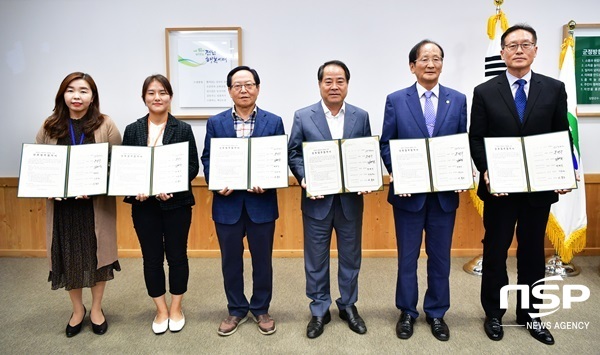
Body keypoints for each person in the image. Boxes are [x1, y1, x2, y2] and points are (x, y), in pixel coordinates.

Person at [469, 24, 573, 345]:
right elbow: (477, 138)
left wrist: (564, 171)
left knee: (532, 254)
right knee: (496, 251)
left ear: (535, 51)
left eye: (525, 44)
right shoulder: (485, 91)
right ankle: (495, 314)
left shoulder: (553, 89)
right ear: (502, 53)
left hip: (538, 190)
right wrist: (486, 170)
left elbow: (560, 136)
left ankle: (531, 315)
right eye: (512, 45)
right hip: (499, 190)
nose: (518, 50)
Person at [380, 40, 467, 342]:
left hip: (443, 196)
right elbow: (386, 143)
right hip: (408, 196)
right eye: (424, 59)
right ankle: (406, 311)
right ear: (412, 65)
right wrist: (399, 175)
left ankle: (437, 312)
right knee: (407, 257)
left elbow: (461, 142)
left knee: (440, 257)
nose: (431, 64)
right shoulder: (396, 99)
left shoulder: (457, 100)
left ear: (442, 64)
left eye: (437, 59)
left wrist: (460, 169)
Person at [288, 60, 371, 339]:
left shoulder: (360, 116)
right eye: (328, 81)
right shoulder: (303, 116)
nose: (334, 86)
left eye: (340, 81)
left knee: (351, 257)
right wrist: (303, 177)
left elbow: (365, 153)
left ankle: (348, 305)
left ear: (347, 84)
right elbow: (294, 154)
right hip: (316, 202)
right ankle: (319, 308)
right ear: (320, 84)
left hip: (350, 203)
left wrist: (367, 177)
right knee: (316, 259)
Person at [35, 72, 122, 337]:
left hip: (94, 208)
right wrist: (47, 187)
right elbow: (39, 165)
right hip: (63, 209)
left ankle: (96, 309)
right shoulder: (50, 125)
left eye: (83, 90)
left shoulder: (105, 124)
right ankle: (77, 310)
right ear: (63, 94)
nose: (76, 96)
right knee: (69, 258)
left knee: (97, 258)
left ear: (92, 96)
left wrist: (96, 186)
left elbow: (117, 165)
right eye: (71, 90)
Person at [201, 66, 284, 336]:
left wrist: (268, 181)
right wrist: (216, 184)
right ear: (229, 91)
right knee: (230, 261)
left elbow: (277, 159)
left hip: (261, 204)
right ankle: (236, 308)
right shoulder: (216, 122)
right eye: (237, 86)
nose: (243, 90)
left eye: (249, 85)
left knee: (263, 260)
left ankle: (261, 308)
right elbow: (208, 158)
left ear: (258, 88)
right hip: (228, 204)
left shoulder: (274, 121)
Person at [122, 74, 199, 334]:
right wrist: (137, 190)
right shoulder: (132, 129)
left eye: (163, 92)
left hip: (176, 204)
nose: (157, 97)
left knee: (177, 256)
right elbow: (127, 168)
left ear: (170, 97)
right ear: (144, 97)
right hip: (144, 207)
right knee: (152, 259)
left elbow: (191, 166)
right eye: (152, 92)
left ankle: (176, 307)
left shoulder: (183, 128)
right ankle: (161, 309)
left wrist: (173, 187)